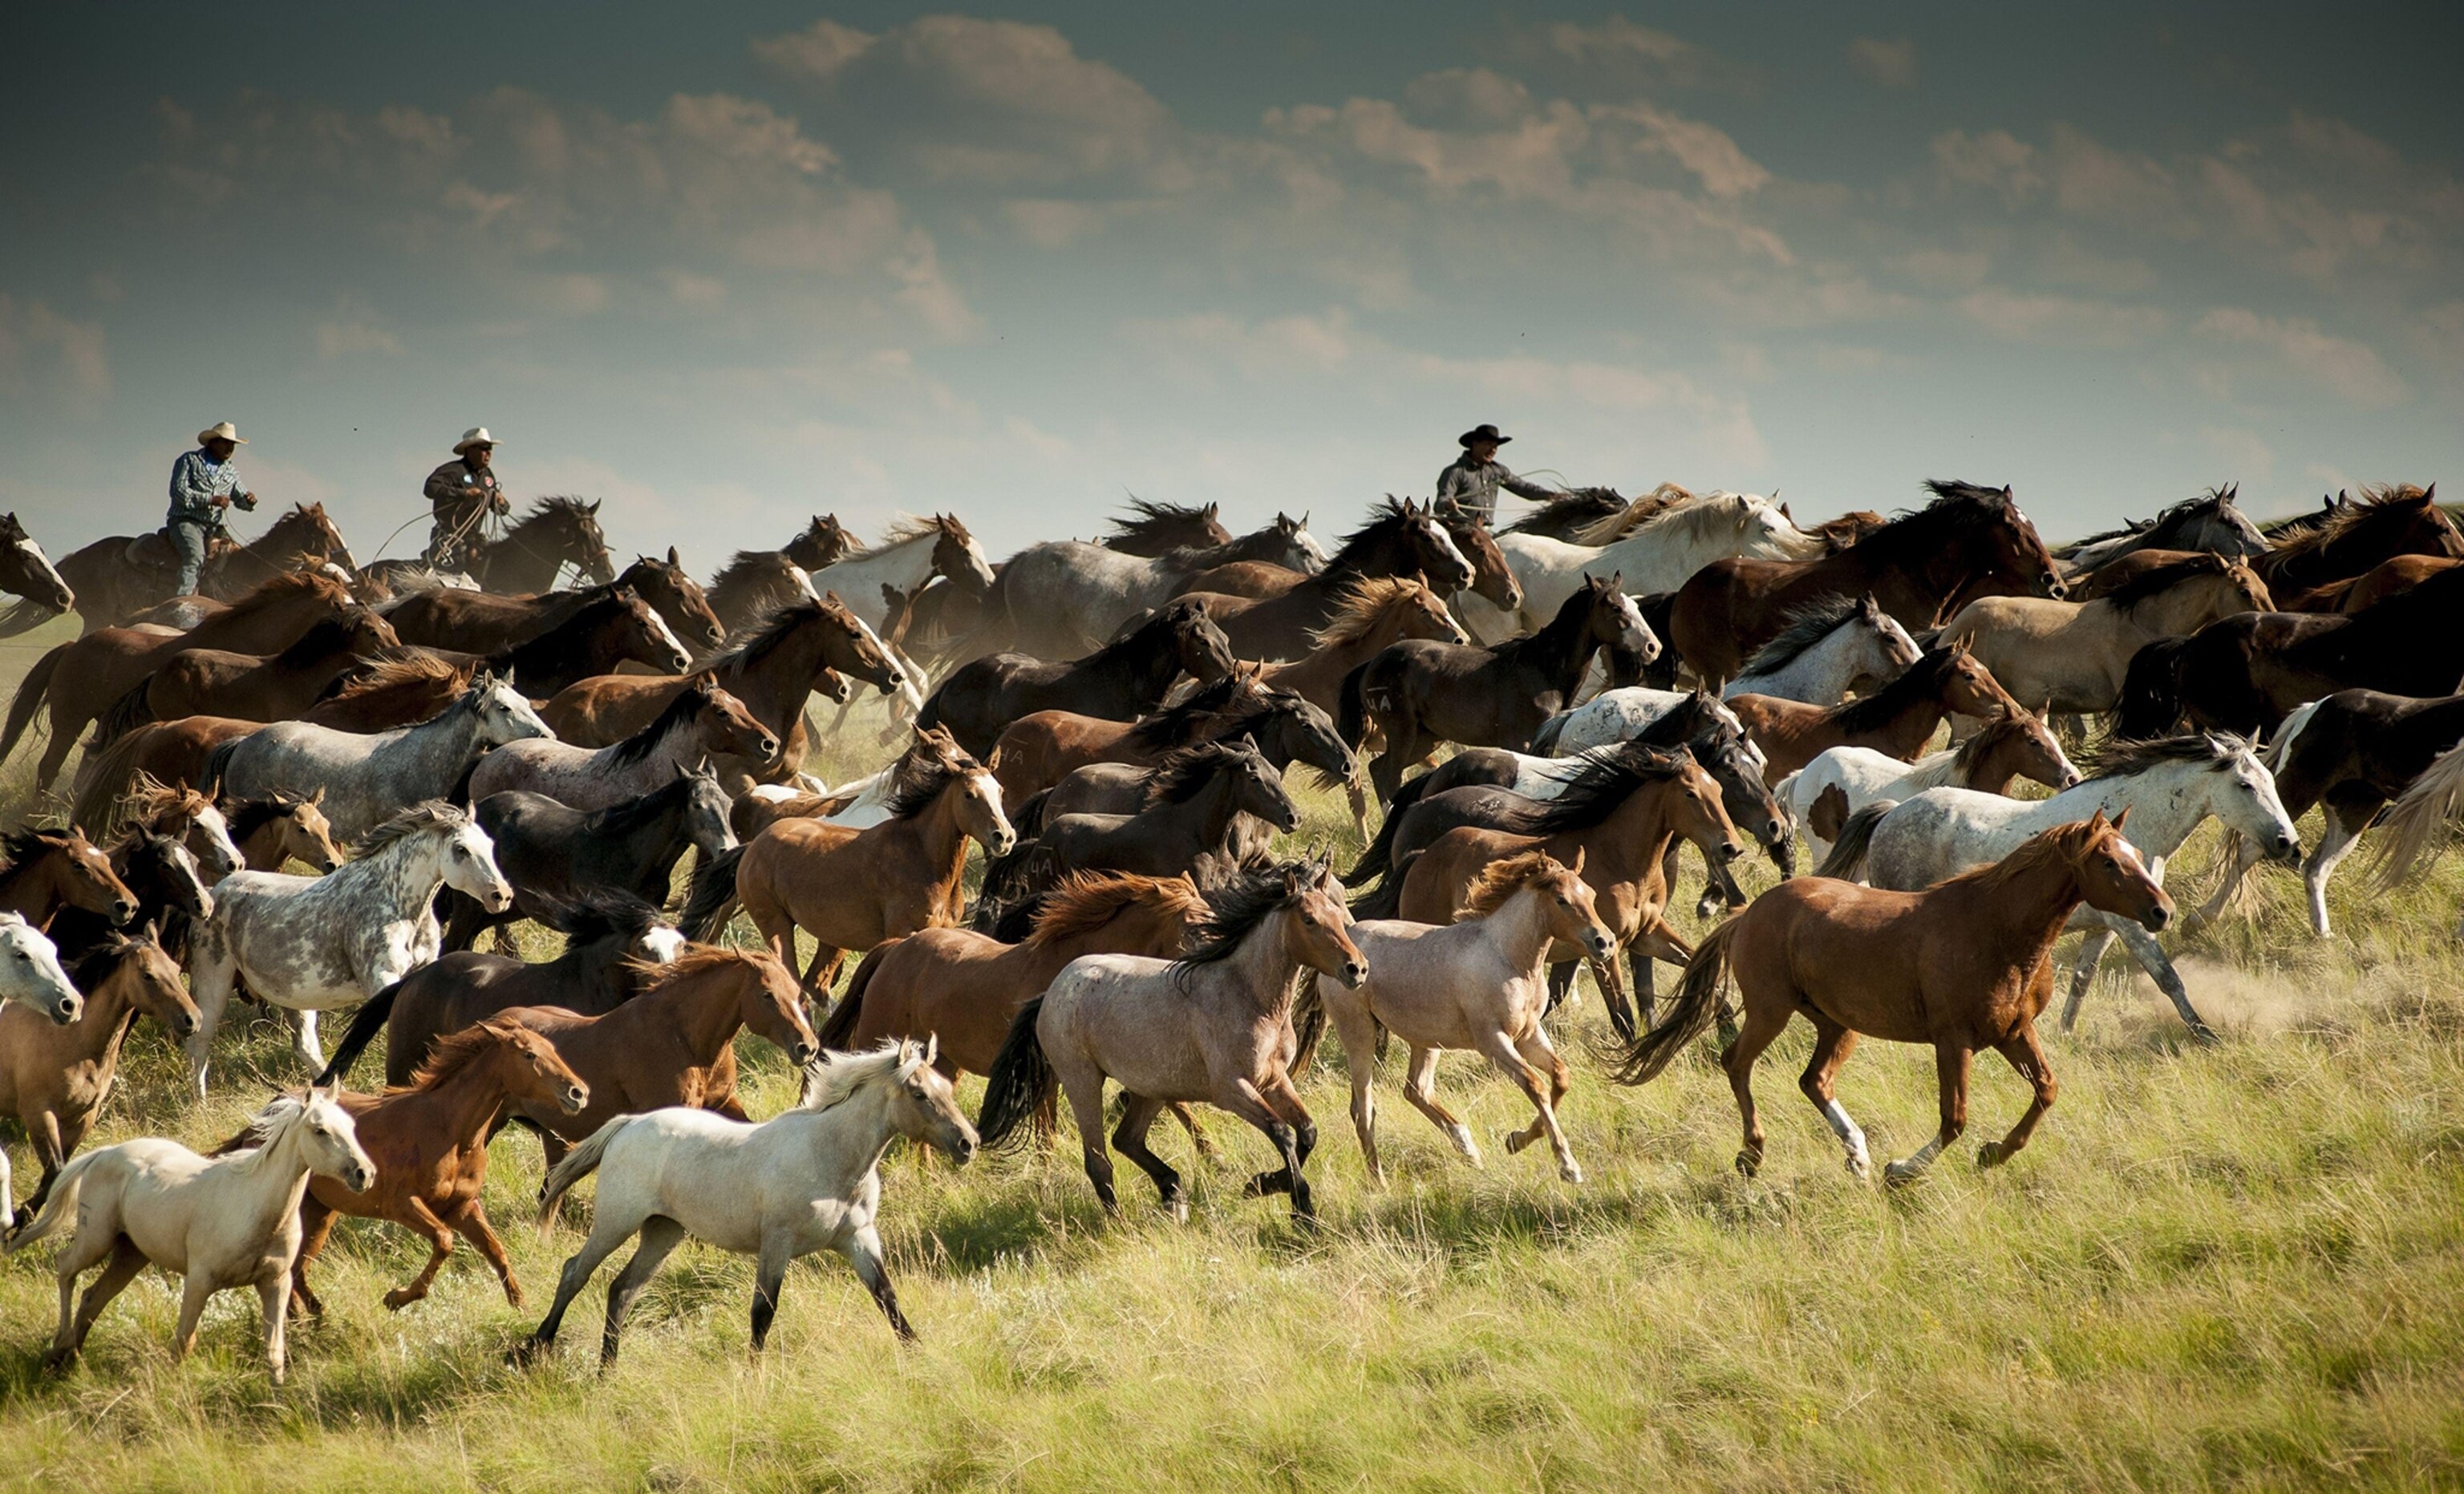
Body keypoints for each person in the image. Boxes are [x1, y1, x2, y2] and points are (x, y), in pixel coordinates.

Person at [165, 421, 257, 596]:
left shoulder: (231, 472)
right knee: (195, 556)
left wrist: (250, 500)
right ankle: (182, 600)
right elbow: (178, 491)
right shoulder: (189, 461)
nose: (230, 447)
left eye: (233, 444)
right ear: (213, 442)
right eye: (226, 442)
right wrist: (210, 500)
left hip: (213, 528)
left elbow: (241, 499)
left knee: (236, 558)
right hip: (186, 522)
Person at [1434, 423, 1561, 525]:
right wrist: (1447, 505)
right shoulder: (1455, 472)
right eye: (1488, 444)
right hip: (1460, 531)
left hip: (1486, 532)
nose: (1493, 450)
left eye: (1495, 446)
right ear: (1475, 444)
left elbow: (1523, 488)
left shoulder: (1498, 471)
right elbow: (1441, 501)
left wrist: (1550, 495)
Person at [423, 427, 509, 570]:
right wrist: (464, 493)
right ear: (470, 450)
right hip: (450, 535)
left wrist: (501, 502)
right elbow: (430, 489)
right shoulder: (453, 470)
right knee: (451, 572)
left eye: (490, 449)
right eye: (484, 448)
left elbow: (503, 510)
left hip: (475, 539)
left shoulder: (488, 476)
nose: (488, 453)